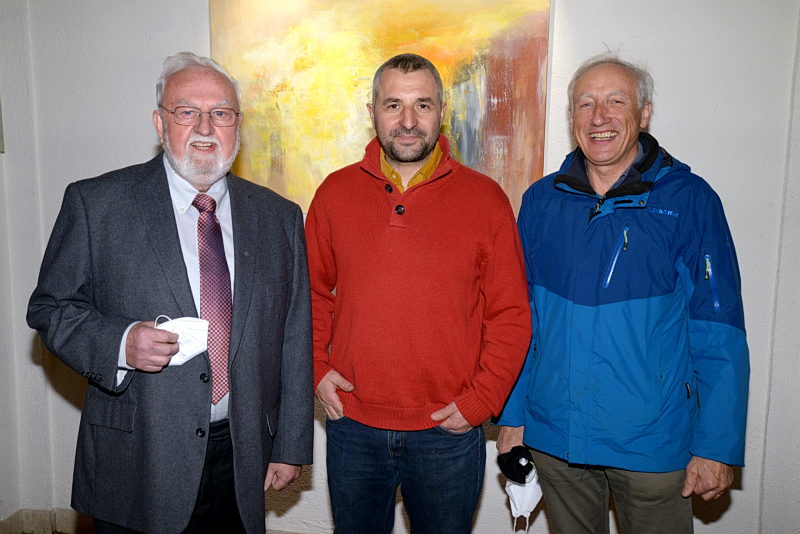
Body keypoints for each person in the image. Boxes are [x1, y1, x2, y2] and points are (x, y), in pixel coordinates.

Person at [26, 52, 313, 534]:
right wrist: (121, 343)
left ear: (238, 126)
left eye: (220, 113)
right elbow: (51, 309)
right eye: (187, 112)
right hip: (137, 459)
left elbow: (294, 335)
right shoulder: (97, 204)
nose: (205, 127)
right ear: (160, 123)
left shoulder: (279, 217)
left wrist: (289, 444)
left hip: (242, 457)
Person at [497, 52, 750, 534]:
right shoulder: (540, 202)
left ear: (644, 112)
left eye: (616, 101)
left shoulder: (690, 201)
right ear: (571, 117)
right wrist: (513, 417)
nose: (600, 117)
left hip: (652, 444)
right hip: (556, 437)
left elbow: (719, 330)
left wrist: (716, 446)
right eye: (585, 104)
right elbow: (520, 319)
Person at [305, 53, 531, 533]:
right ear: (372, 111)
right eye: (393, 105)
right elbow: (309, 295)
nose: (408, 121)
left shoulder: (486, 199)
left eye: (422, 105)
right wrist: (317, 369)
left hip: (446, 432)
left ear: (441, 111)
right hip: (353, 425)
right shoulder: (334, 193)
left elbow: (511, 313)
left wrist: (481, 400)